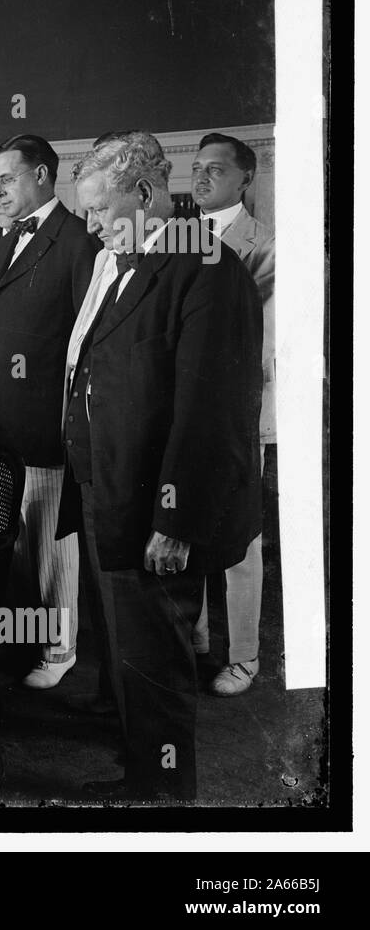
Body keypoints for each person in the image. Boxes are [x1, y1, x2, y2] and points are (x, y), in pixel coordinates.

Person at [61, 130, 262, 801]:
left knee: (157, 656)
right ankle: (141, 767)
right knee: (131, 650)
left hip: (156, 505)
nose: (89, 226)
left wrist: (173, 520)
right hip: (111, 487)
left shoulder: (205, 265)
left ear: (147, 194)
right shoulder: (133, 260)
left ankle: (161, 797)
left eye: (98, 211)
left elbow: (211, 409)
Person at [0, 135, 100, 689]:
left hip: (43, 423)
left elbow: (84, 341)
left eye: (7, 180)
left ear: (42, 175)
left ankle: (59, 648)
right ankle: (21, 638)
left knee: (50, 543)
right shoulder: (4, 240)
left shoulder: (75, 240)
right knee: (9, 543)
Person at [189, 133, 276, 697]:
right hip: (185, 412)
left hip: (239, 412)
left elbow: (260, 344)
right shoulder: (174, 240)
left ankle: (243, 655)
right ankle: (193, 638)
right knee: (184, 525)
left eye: (215, 169)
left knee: (241, 539)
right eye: (196, 168)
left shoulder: (264, 245)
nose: (201, 177)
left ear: (245, 179)